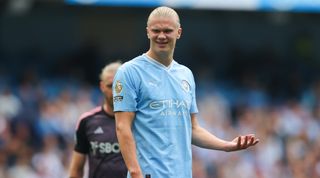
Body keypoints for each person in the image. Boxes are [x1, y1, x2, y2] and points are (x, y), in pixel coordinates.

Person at [113, 6, 259, 178]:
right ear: (147, 32)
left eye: (167, 30)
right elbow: (122, 127)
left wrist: (226, 146)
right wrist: (135, 172)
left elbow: (192, 129)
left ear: (179, 32)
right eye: (156, 30)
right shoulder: (130, 72)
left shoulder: (185, 74)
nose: (161, 36)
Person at [69, 61, 127, 178]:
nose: (115, 91)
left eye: (119, 85)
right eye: (110, 86)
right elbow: (76, 169)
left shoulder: (139, 120)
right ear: (101, 86)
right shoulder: (87, 121)